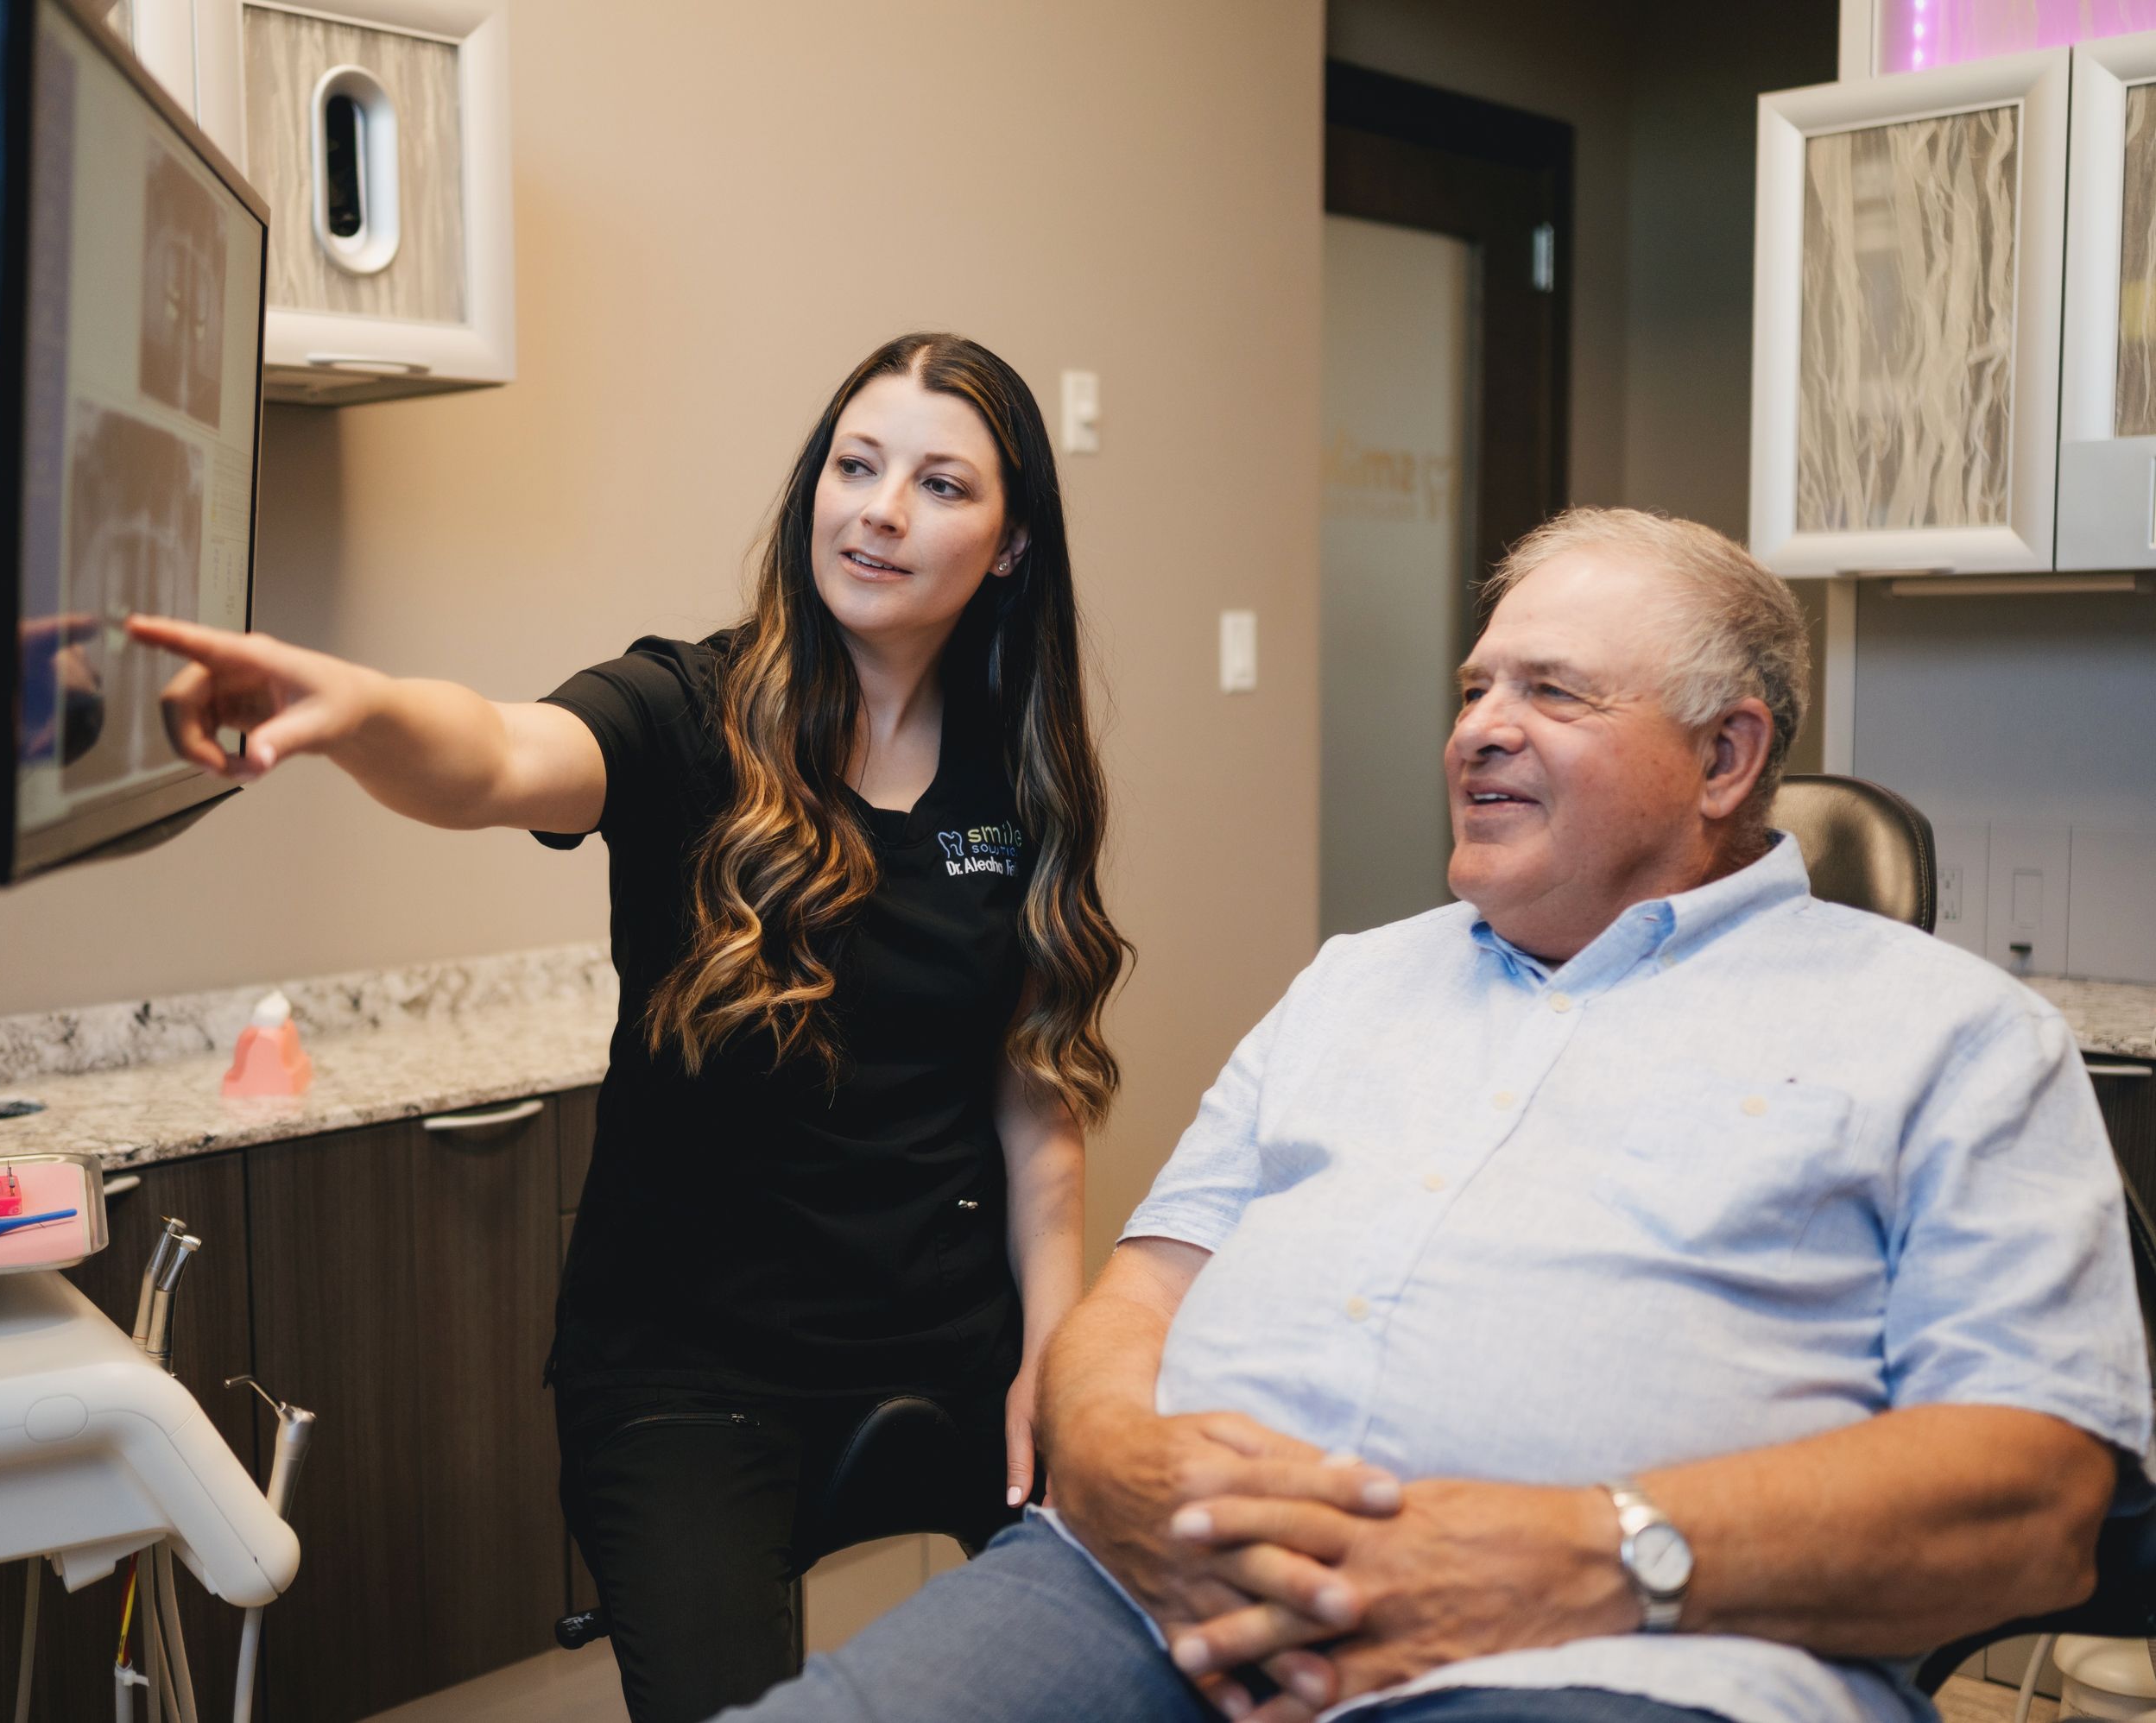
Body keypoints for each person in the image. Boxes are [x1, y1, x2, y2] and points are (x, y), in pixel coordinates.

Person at [718, 507, 2153, 1723]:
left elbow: (2035, 1500)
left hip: (1628, 1651)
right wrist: (1116, 1465)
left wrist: (1587, 1554)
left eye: (1553, 694)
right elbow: (1143, 1290)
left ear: (1725, 759)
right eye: (1474, 689)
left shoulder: (1954, 1041)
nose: (1480, 731)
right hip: (1147, 1595)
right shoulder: (1354, 983)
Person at [127, 332, 1129, 1723]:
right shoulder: (689, 712)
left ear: (1011, 546)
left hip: (947, 1335)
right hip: (693, 1360)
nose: (880, 509)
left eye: (940, 483)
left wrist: (1058, 1352)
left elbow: (1033, 1091)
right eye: (855, 465)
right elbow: (494, 754)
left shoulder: (1017, 776)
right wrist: (349, 708)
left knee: (1120, 1661)